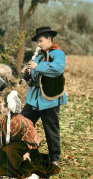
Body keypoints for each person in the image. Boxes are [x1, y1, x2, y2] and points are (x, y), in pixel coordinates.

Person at [21, 27, 67, 166]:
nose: (39, 44)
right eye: (38, 42)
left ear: (49, 39)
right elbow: (35, 77)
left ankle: (54, 158)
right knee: (24, 124)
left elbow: (58, 69)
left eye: (41, 41)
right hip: (34, 99)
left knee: (51, 129)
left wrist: (37, 67)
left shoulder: (58, 53)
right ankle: (21, 152)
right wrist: (27, 73)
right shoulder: (40, 55)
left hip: (49, 98)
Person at [0, 91, 60, 179]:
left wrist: (27, 153)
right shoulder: (3, 119)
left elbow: (34, 139)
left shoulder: (23, 121)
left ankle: (20, 167)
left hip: (25, 147)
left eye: (3, 103)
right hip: (13, 145)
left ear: (8, 107)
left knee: (8, 151)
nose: (0, 104)